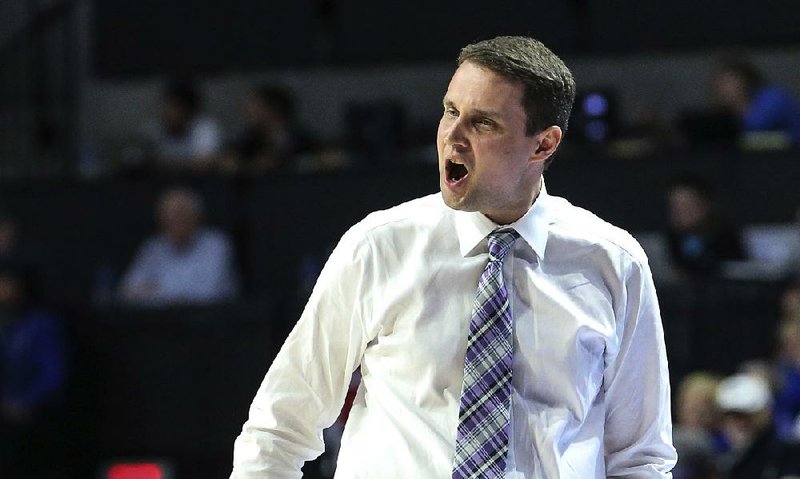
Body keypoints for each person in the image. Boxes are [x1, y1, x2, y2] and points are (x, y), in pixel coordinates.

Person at [230, 36, 675, 478]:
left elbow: (640, 457)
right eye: (450, 111)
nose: (453, 137)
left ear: (543, 145)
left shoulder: (613, 262)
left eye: (483, 123)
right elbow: (279, 428)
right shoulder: (380, 246)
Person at [118, 187, 239, 306]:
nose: (175, 221)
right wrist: (172, 292)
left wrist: (154, 289)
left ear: (197, 216)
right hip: (159, 321)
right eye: (168, 217)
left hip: (208, 320)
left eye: (181, 215)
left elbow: (207, 293)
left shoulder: (216, 244)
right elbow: (127, 291)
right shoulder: (154, 246)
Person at [0, 261, 66, 476]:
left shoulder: (41, 324)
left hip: (30, 421)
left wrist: (25, 403)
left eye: (6, 282)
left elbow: (52, 374)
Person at [715, 372, 800, 479]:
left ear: (765, 413)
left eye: (746, 416)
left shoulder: (788, 456)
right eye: (730, 416)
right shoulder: (724, 458)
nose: (739, 424)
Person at [666, 175, 747, 279]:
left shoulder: (725, 238)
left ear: (705, 205)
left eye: (687, 206)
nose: (680, 213)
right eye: (675, 207)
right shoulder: (673, 239)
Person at [712, 59, 800, 147]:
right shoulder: (729, 113)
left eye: (727, 82)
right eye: (719, 84)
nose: (722, 89)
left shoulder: (772, 97)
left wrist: (738, 106)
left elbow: (757, 129)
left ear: (744, 80)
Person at [146, 80, 223, 172]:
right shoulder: (153, 128)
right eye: (164, 105)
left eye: (174, 107)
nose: (167, 112)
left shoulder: (205, 127)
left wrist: (165, 163)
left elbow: (205, 163)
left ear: (188, 109)